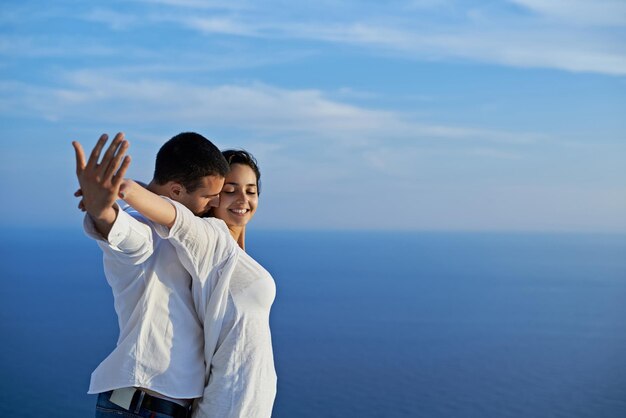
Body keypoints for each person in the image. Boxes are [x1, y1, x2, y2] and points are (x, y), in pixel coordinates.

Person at [73, 132, 230, 418]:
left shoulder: (192, 233)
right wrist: (103, 211)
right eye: (208, 196)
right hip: (142, 407)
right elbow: (129, 238)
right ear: (177, 191)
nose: (215, 203)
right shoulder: (141, 222)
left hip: (153, 407)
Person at [118, 149, 277, 418]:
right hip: (225, 408)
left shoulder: (233, 254)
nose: (243, 199)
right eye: (231, 189)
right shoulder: (210, 238)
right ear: (213, 196)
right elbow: (172, 213)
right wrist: (126, 188)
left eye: (251, 190)